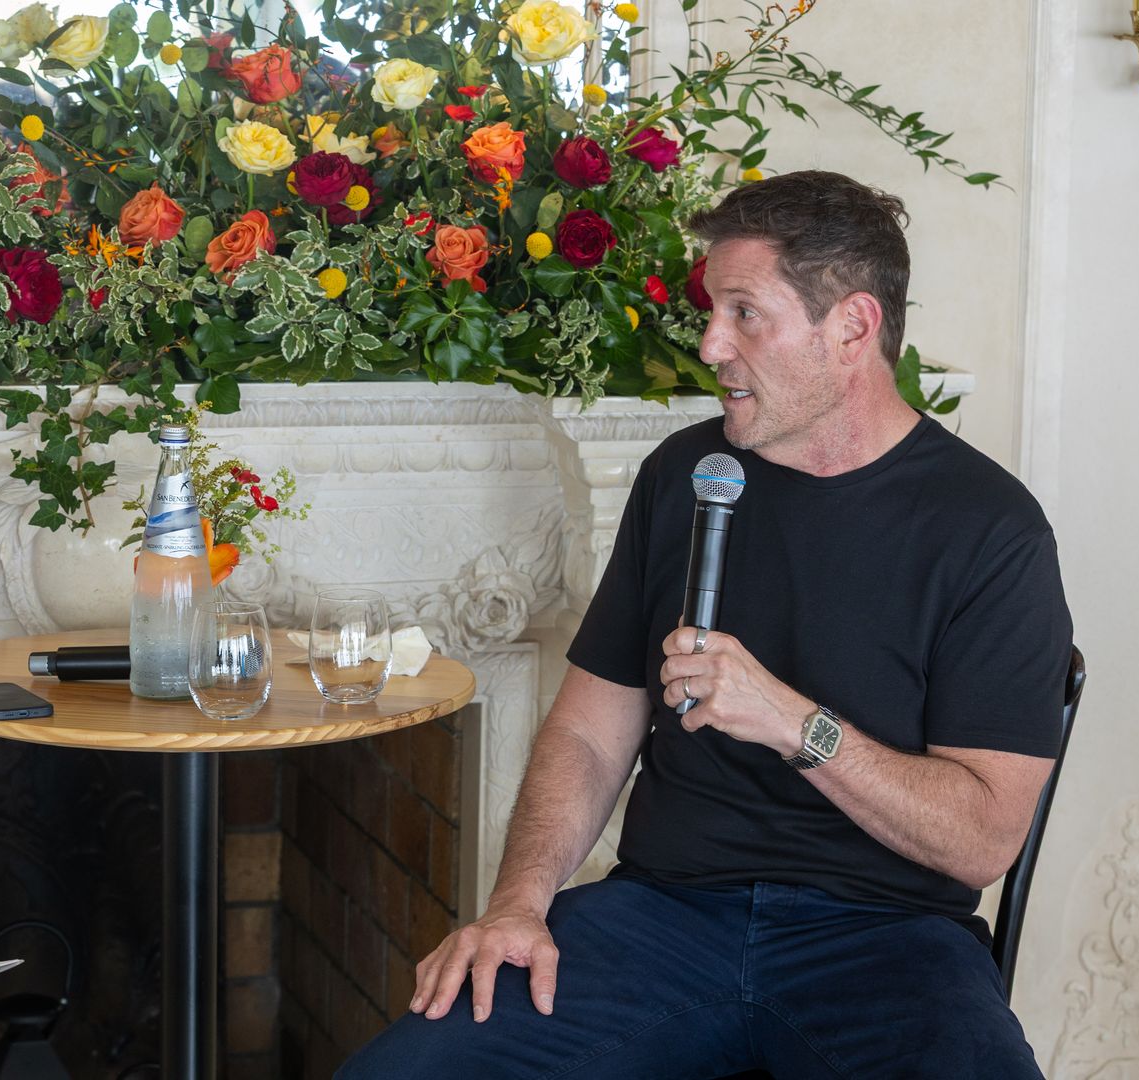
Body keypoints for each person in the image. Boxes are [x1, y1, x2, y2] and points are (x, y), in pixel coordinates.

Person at [341, 171, 1073, 1077]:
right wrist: (518, 905)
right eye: (709, 309)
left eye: (743, 312)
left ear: (851, 327)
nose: (710, 343)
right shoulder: (686, 474)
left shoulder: (989, 531)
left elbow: (984, 837)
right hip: (663, 918)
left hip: (888, 944)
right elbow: (589, 730)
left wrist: (794, 725)